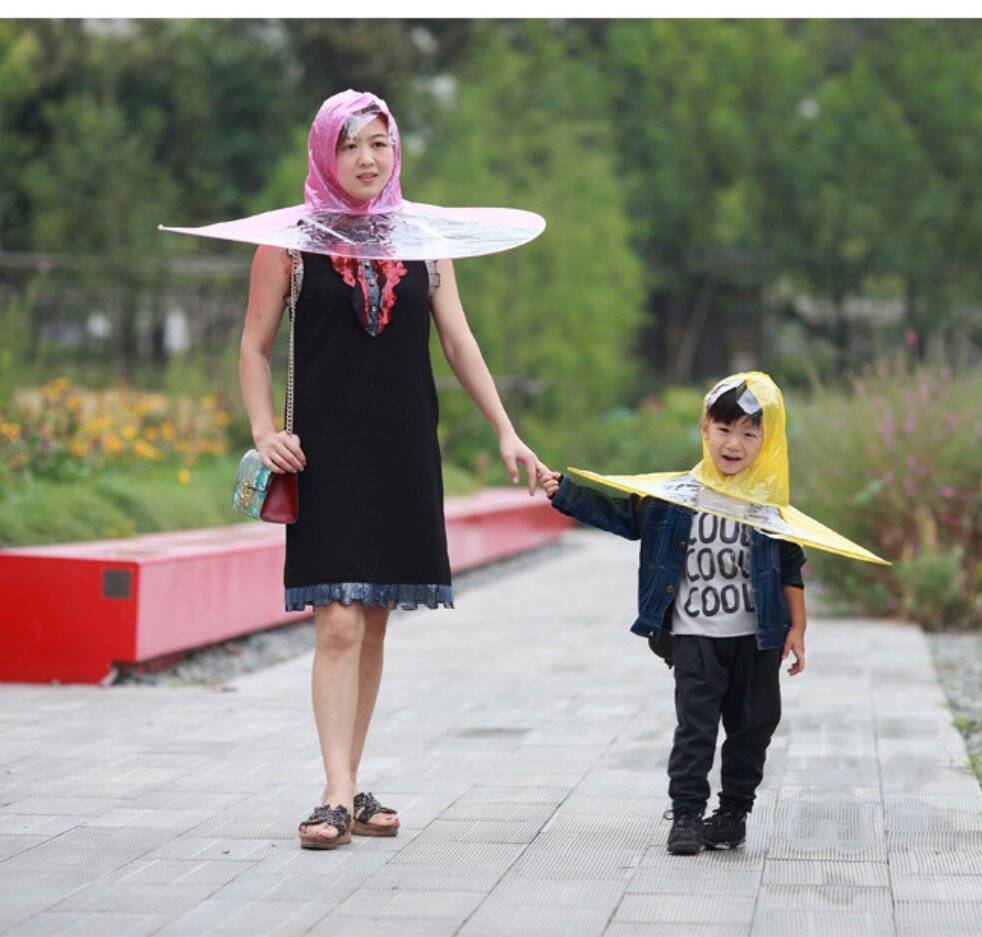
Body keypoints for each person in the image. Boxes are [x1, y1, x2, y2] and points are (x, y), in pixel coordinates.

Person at [239, 90, 544, 850]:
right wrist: (262, 431)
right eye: (350, 146)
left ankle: (349, 780)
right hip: (325, 451)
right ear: (323, 153)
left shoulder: (421, 239)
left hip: (403, 447)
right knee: (337, 619)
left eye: (379, 143)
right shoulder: (287, 242)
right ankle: (337, 790)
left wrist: (506, 431)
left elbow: (460, 344)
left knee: (371, 622)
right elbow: (252, 348)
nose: (367, 159)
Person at [537, 374, 809, 855]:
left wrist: (798, 629)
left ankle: (731, 815)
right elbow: (623, 516)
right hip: (694, 634)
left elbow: (790, 568)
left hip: (757, 638)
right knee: (695, 728)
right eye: (726, 429)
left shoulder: (770, 505)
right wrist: (565, 492)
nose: (735, 443)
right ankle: (685, 815)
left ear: (767, 442)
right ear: (705, 428)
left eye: (750, 433)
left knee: (753, 725)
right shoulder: (677, 497)